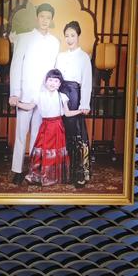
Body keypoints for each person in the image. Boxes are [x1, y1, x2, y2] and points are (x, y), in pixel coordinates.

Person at [8, 2, 61, 183]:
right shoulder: (24, 38)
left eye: (48, 17)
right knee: (21, 133)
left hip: (44, 95)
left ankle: (33, 170)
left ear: (51, 20)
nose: (45, 20)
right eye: (42, 16)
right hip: (25, 93)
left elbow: (54, 70)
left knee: (38, 135)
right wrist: (14, 92)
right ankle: (17, 170)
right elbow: (16, 66)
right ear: (37, 18)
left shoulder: (55, 42)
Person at [56, 20, 93, 187]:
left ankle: (79, 173)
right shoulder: (60, 56)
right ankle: (63, 172)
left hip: (75, 95)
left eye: (72, 35)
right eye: (67, 36)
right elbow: (55, 77)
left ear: (78, 36)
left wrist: (84, 104)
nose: (69, 39)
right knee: (61, 130)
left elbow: (86, 82)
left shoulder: (84, 57)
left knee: (76, 132)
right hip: (60, 93)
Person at [21, 69, 72, 186]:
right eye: (50, 80)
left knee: (54, 151)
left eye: (56, 81)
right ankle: (37, 175)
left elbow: (67, 113)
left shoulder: (62, 96)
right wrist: (17, 103)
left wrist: (81, 111)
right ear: (45, 81)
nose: (53, 83)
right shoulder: (39, 95)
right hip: (45, 126)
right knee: (42, 148)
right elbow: (29, 107)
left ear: (60, 84)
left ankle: (52, 177)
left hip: (57, 126)